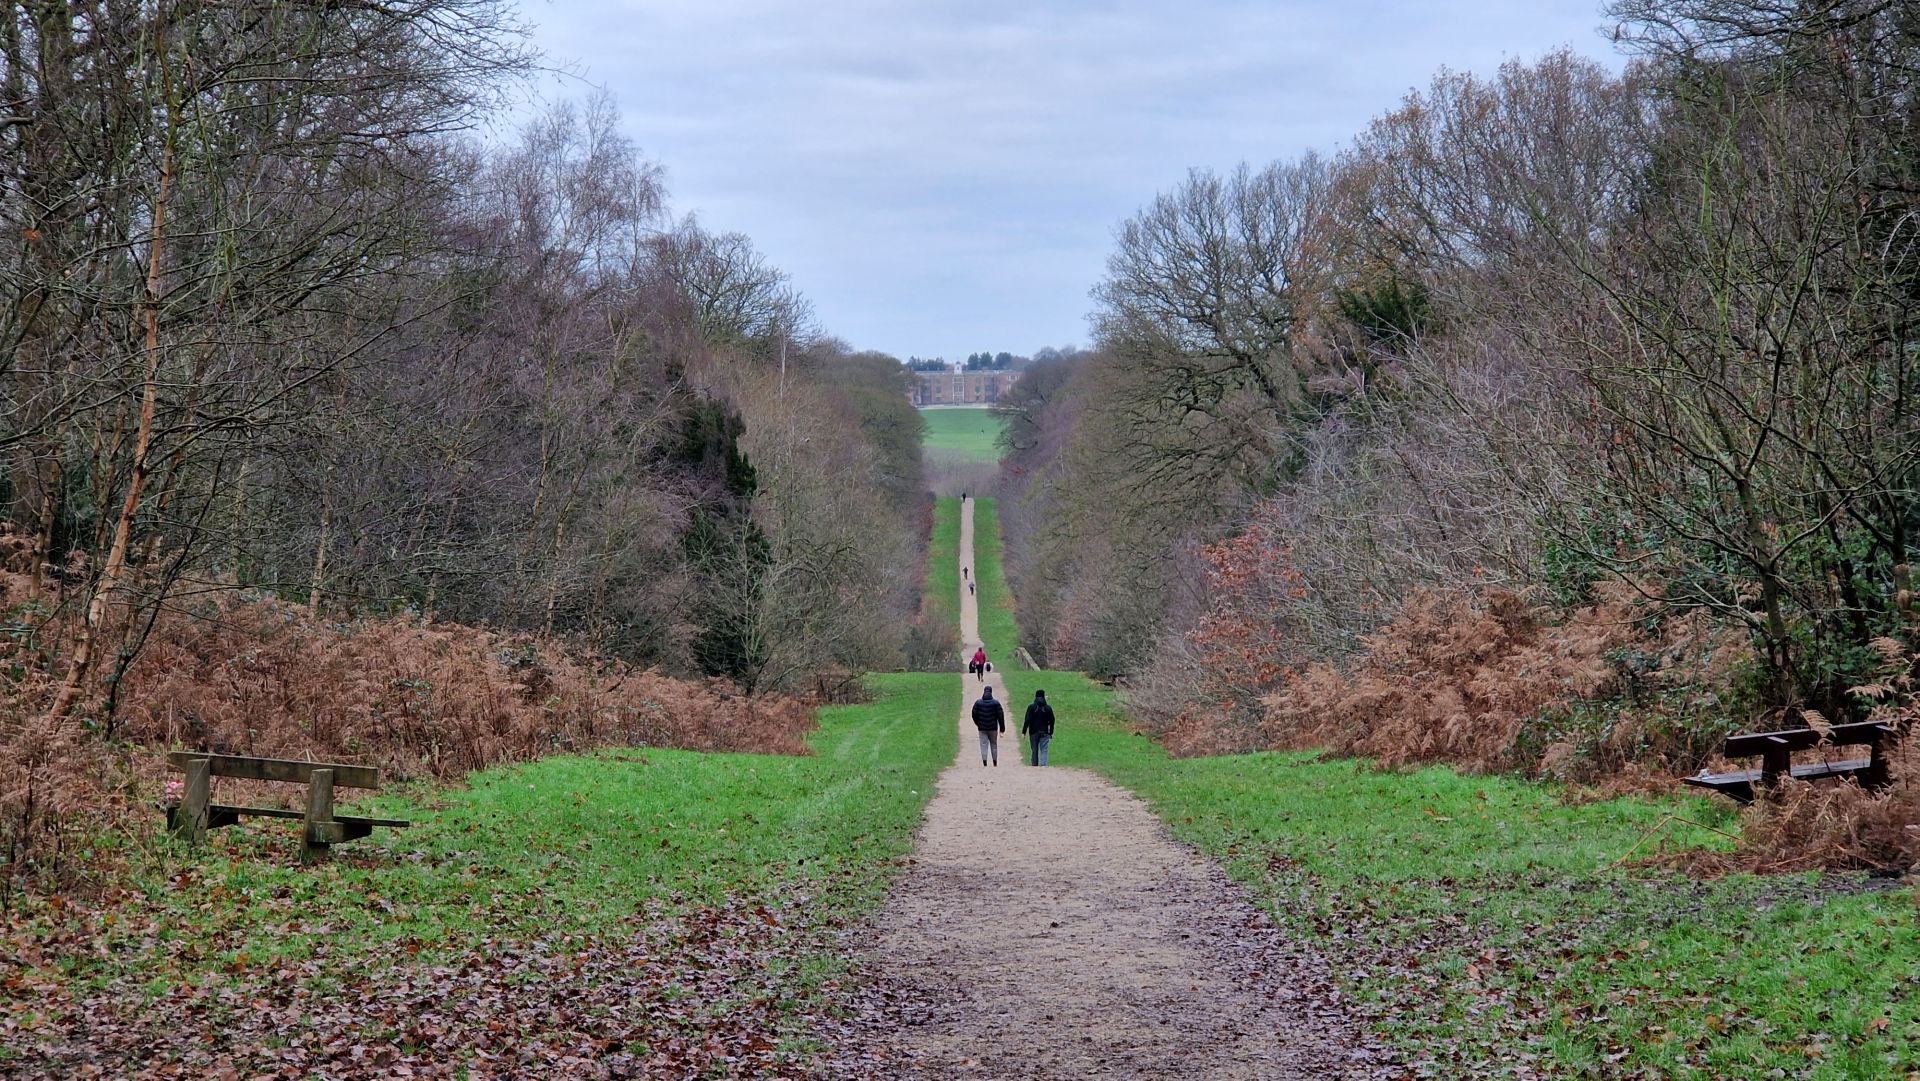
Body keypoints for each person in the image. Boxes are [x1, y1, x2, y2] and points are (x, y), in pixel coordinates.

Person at [972, 685, 1006, 766]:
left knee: (983, 744)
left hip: (982, 728)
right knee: (994, 744)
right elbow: (1001, 716)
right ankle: (995, 762)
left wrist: (978, 723)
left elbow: (974, 714)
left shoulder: (978, 703)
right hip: (993, 728)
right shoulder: (996, 703)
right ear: (991, 692)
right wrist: (1002, 729)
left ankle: (985, 762)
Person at [1022, 689, 1055, 766]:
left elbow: (1027, 720)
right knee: (1044, 749)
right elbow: (1052, 720)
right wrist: (1051, 732)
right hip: (1045, 732)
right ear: (1044, 697)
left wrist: (1024, 732)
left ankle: (1034, 766)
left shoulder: (1031, 707)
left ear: (1035, 696)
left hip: (1033, 732)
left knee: (1034, 749)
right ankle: (1043, 765)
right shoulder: (1048, 708)